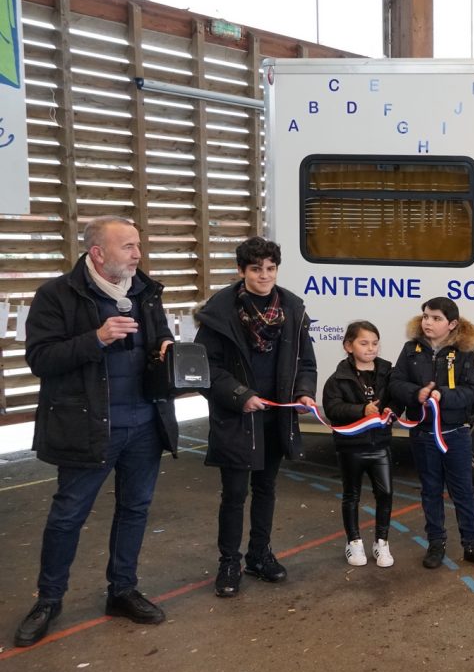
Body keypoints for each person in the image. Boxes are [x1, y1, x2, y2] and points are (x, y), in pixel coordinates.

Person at [14, 216, 180, 647]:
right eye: (128, 247)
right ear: (97, 253)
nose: (138, 254)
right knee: (68, 515)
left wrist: (165, 350)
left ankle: (122, 590)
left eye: (138, 245)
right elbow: (41, 359)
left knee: (135, 509)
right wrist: (97, 338)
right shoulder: (57, 295)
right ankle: (49, 600)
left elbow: (159, 337)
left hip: (144, 424)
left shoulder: (146, 292)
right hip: (88, 426)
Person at [195, 236, 317, 598]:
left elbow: (305, 362)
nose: (265, 275)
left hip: (275, 418)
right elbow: (205, 369)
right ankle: (229, 562)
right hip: (237, 418)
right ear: (241, 271)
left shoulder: (293, 309)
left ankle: (259, 555)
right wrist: (239, 395)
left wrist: (303, 391)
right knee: (234, 495)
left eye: (270, 268)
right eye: (256, 269)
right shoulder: (219, 313)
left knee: (266, 490)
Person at [389, 297, 474, 571]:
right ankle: (435, 543)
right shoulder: (411, 350)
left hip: (455, 433)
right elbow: (396, 382)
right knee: (431, 491)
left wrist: (443, 395)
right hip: (423, 434)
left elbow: (472, 390)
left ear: (452, 324)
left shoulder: (465, 353)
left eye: (436, 318)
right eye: (426, 316)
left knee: (462, 491)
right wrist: (417, 393)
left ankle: (472, 544)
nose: (428, 322)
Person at [322, 320, 396, 568]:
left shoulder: (387, 372)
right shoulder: (337, 378)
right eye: (364, 343)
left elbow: (398, 399)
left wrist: (391, 410)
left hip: (380, 445)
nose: (370, 348)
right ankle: (354, 542)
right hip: (351, 447)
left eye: (375, 343)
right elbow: (333, 408)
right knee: (351, 495)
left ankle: (382, 542)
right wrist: (361, 410)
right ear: (348, 346)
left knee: (385, 493)